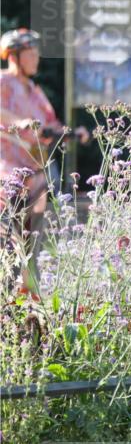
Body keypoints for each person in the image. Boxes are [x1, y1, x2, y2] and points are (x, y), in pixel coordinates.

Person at [0, 27, 88, 290]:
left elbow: (49, 124)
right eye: (31, 52)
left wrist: (72, 133)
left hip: (35, 176)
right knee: (8, 236)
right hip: (6, 172)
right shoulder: (3, 82)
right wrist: (21, 123)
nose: (36, 57)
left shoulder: (35, 91)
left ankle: (28, 295)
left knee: (31, 241)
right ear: (14, 56)